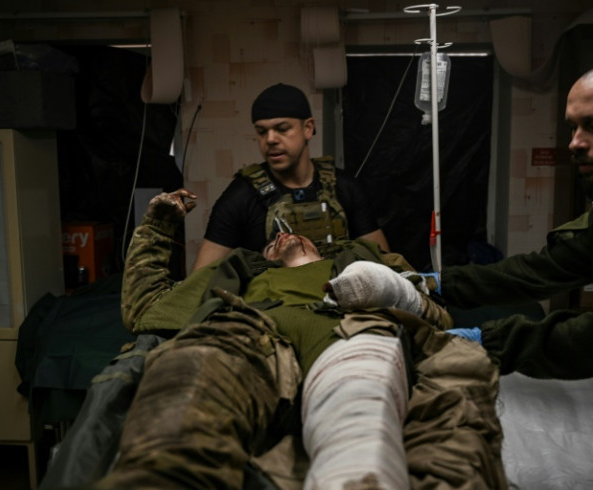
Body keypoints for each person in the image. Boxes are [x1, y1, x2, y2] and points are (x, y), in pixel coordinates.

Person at [89, 188, 508, 489]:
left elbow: (432, 314)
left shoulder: (362, 264)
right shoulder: (242, 271)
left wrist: (383, 285)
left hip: (346, 326)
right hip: (248, 329)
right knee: (191, 377)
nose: (282, 237)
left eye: (293, 235)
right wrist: (158, 227)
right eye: (272, 240)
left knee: (373, 389)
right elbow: (144, 310)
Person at [440, 57, 593, 467]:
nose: (574, 141)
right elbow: (546, 268)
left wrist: (488, 343)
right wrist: (441, 284)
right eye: (573, 126)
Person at [192, 82, 389, 270]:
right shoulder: (241, 196)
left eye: (282, 129)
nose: (270, 140)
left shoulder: (345, 189)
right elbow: (199, 279)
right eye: (262, 132)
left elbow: (385, 266)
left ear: (308, 128)